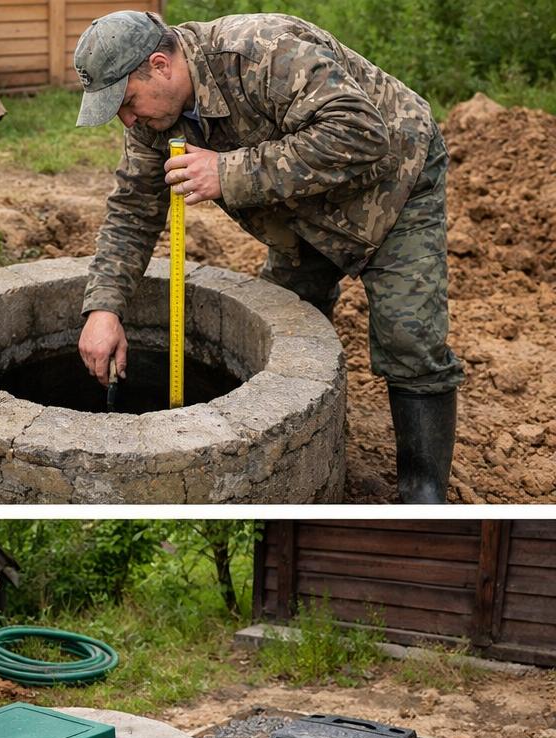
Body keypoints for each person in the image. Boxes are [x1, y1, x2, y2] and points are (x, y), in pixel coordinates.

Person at [72, 10, 462, 503]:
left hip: (395, 182)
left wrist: (228, 173)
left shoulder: (260, 51)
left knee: (409, 337)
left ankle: (422, 494)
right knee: (288, 322)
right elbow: (133, 209)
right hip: (299, 205)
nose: (128, 120)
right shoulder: (153, 123)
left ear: (160, 65)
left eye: (128, 102)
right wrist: (104, 307)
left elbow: (361, 131)